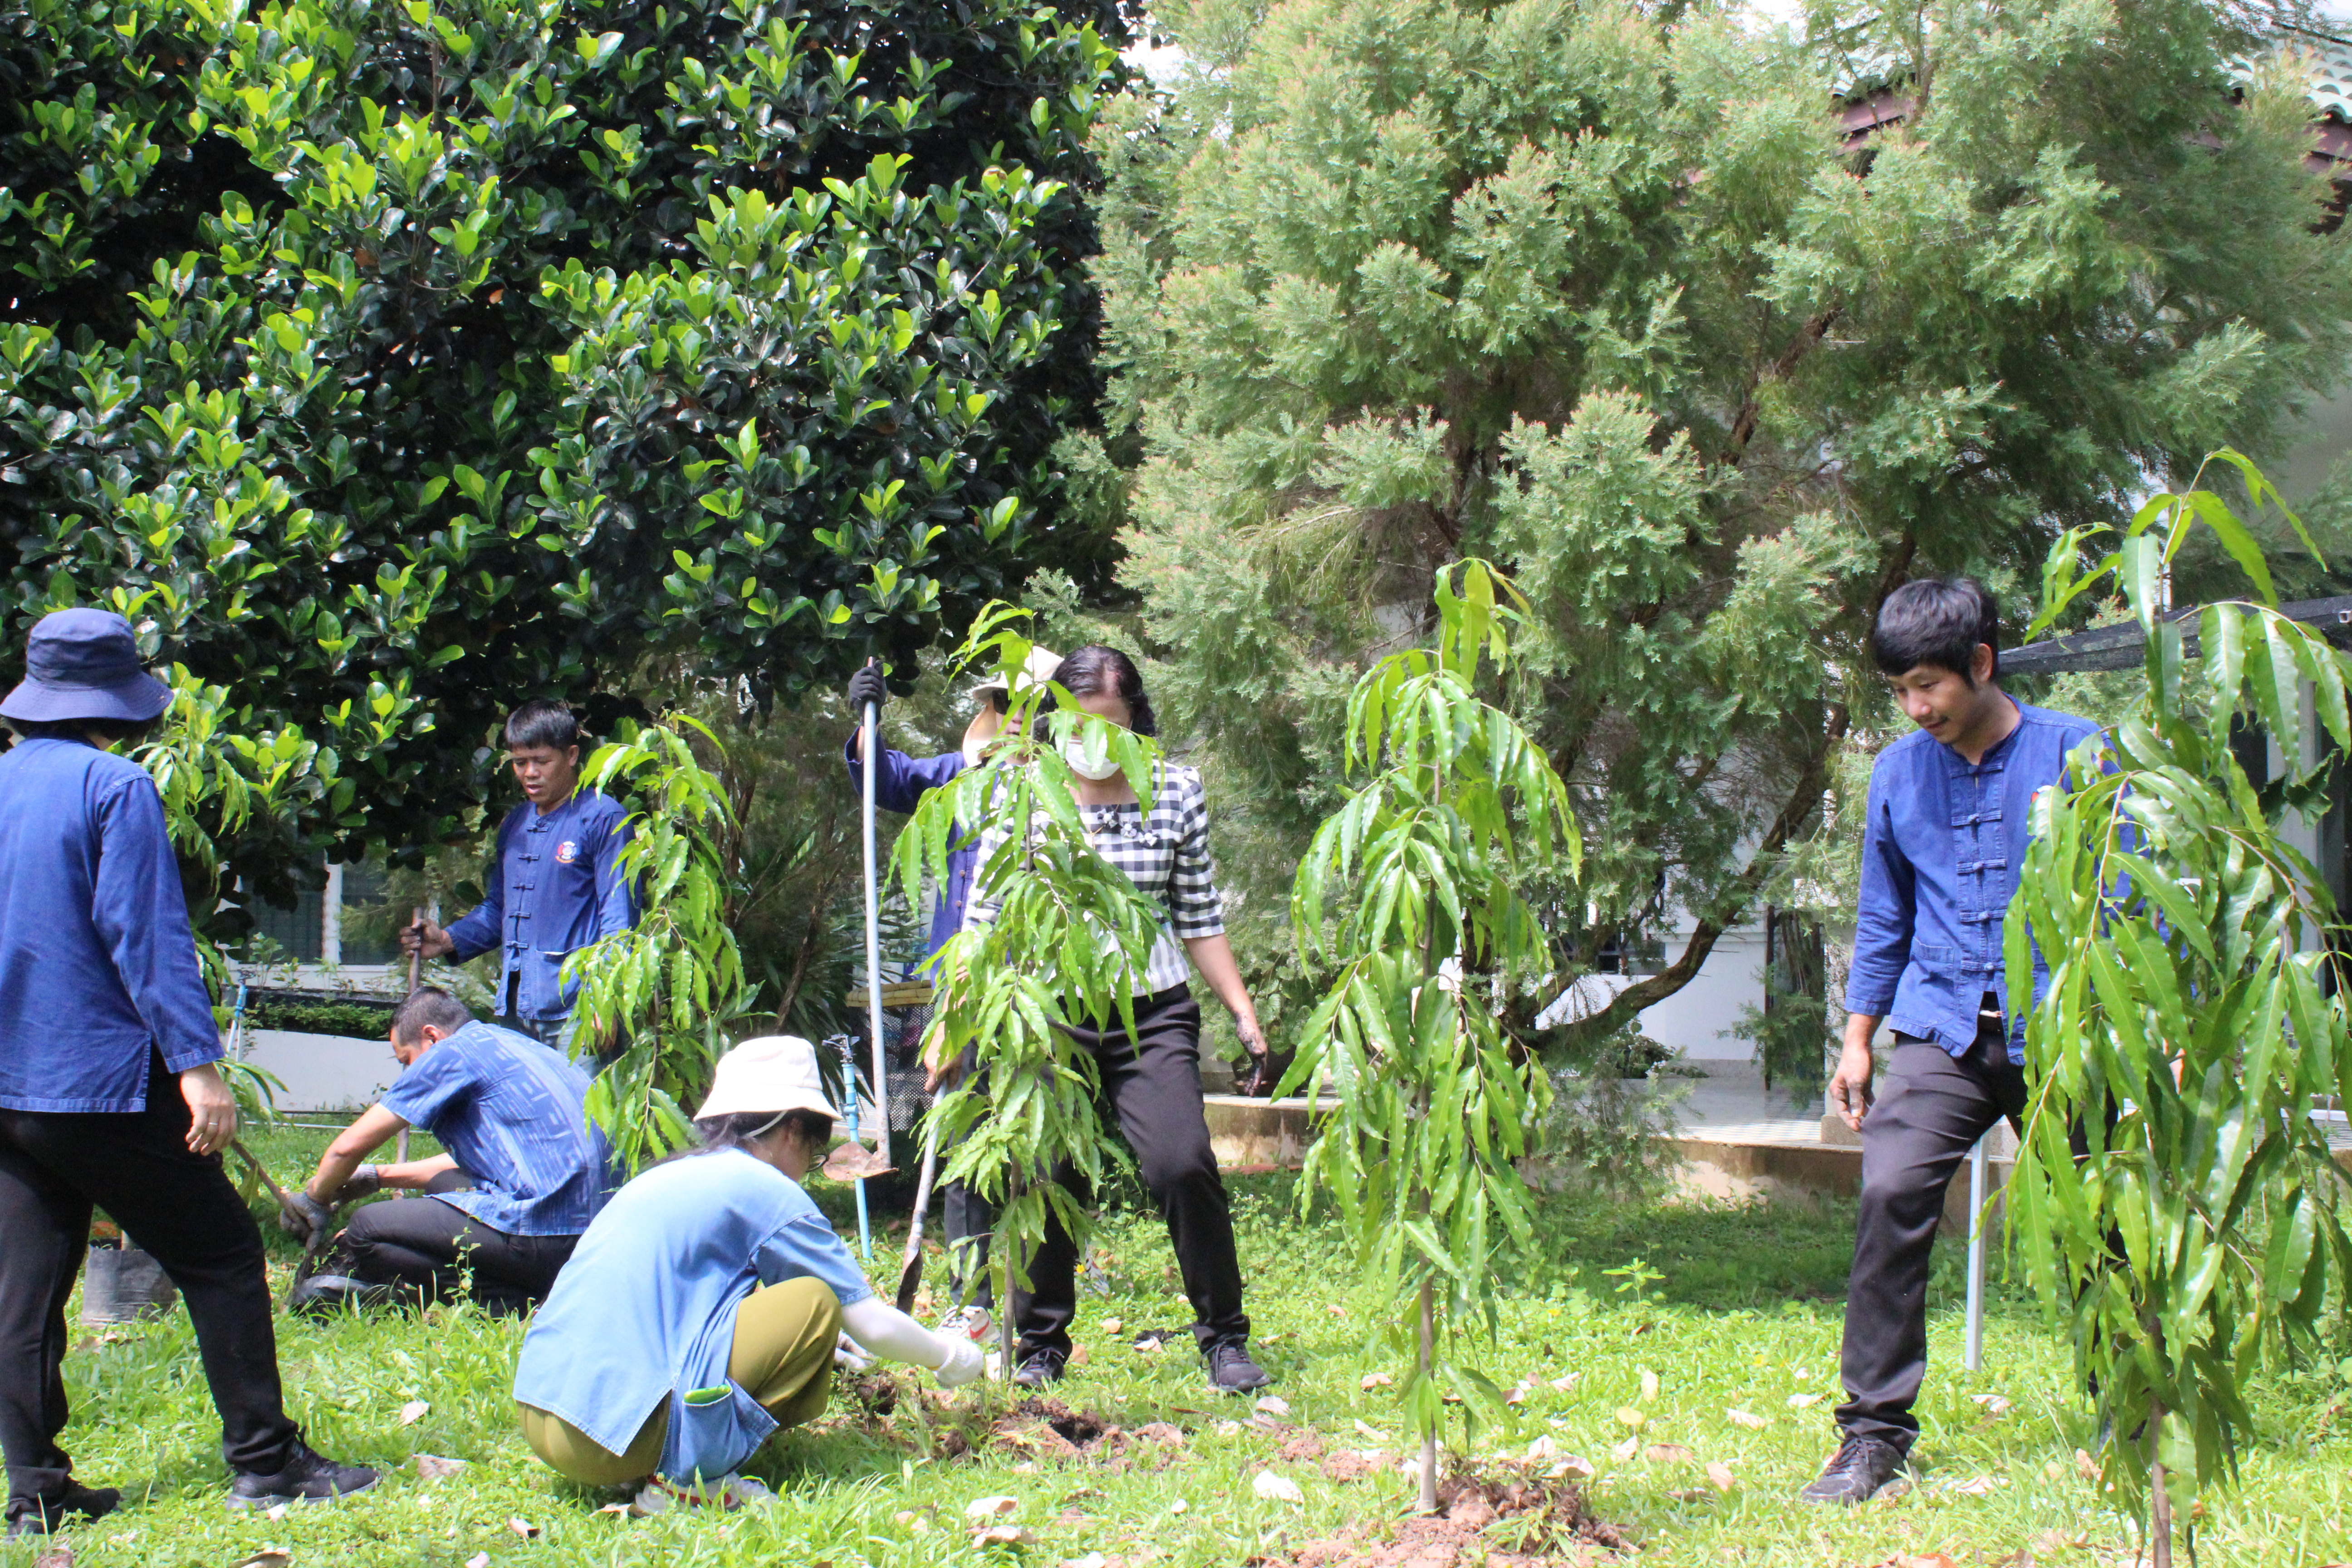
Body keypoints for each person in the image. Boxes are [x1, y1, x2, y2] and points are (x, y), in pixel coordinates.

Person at [0, 608, 377, 1536]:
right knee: (220, 1252)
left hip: (11, 1083)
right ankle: (266, 1462)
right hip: (99, 1080)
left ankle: (35, 1490)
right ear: (117, 700)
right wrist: (200, 1069)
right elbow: (148, 939)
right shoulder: (114, 786)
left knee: (25, 1289)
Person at [1801, 579, 2102, 1505]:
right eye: (1898, 693)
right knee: (1891, 1192)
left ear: (1982, 664)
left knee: (2106, 1215)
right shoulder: (1898, 773)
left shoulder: (2079, 753)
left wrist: (2149, 1034)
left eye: (1928, 685)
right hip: (1939, 1027)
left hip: (2064, 1026)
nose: (1916, 708)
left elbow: (2128, 894)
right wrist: (1858, 1042)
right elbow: (1884, 915)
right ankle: (1873, 1438)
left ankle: (2135, 1412)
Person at [954, 644, 1277, 1396]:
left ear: (1136, 721)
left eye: (1111, 722)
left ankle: (1224, 1341)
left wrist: (1244, 1014)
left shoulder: (1174, 791)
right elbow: (986, 915)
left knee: (1181, 1162)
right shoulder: (1022, 792)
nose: (1093, 739)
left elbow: (1196, 916)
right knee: (1044, 1172)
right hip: (1048, 1012)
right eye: (1078, 723)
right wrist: (959, 1019)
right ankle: (1038, 1347)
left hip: (1150, 1012)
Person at [511, 1035, 985, 1512]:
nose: (808, 1168)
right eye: (815, 1152)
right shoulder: (766, 1189)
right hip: (608, 1439)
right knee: (814, 1305)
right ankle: (689, 1481)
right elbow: (872, 1325)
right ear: (793, 1130)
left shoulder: (667, 1176)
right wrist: (952, 1356)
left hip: (543, 1412)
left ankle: (645, 1463)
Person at [842, 646, 1059, 1325]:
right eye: (998, 707)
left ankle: (1042, 1291)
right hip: (961, 990)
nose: (1004, 720)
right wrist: (865, 721)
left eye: (1021, 708)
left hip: (1040, 989)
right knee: (964, 1130)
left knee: (1038, 1136)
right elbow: (886, 779)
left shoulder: (1065, 788)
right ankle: (970, 1293)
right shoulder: (957, 781)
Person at [282, 986, 613, 1316]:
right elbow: (496, 1161)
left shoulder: (452, 1053)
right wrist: (376, 1177)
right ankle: (538, 1290)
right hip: (595, 1235)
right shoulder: (514, 1045)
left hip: (544, 1231)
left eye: (407, 1060)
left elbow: (347, 1149)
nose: (409, 1072)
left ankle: (508, 1302)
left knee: (367, 1227)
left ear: (432, 1037)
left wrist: (313, 1200)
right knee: (444, 1183)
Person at [401, 700, 635, 1049]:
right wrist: (447, 940)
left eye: (541, 761)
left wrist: (608, 997)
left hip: (579, 1012)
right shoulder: (515, 824)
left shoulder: (602, 817)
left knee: (582, 1106)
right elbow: (500, 909)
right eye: (520, 763)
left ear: (571, 756)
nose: (530, 773)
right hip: (515, 1010)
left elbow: (619, 917)